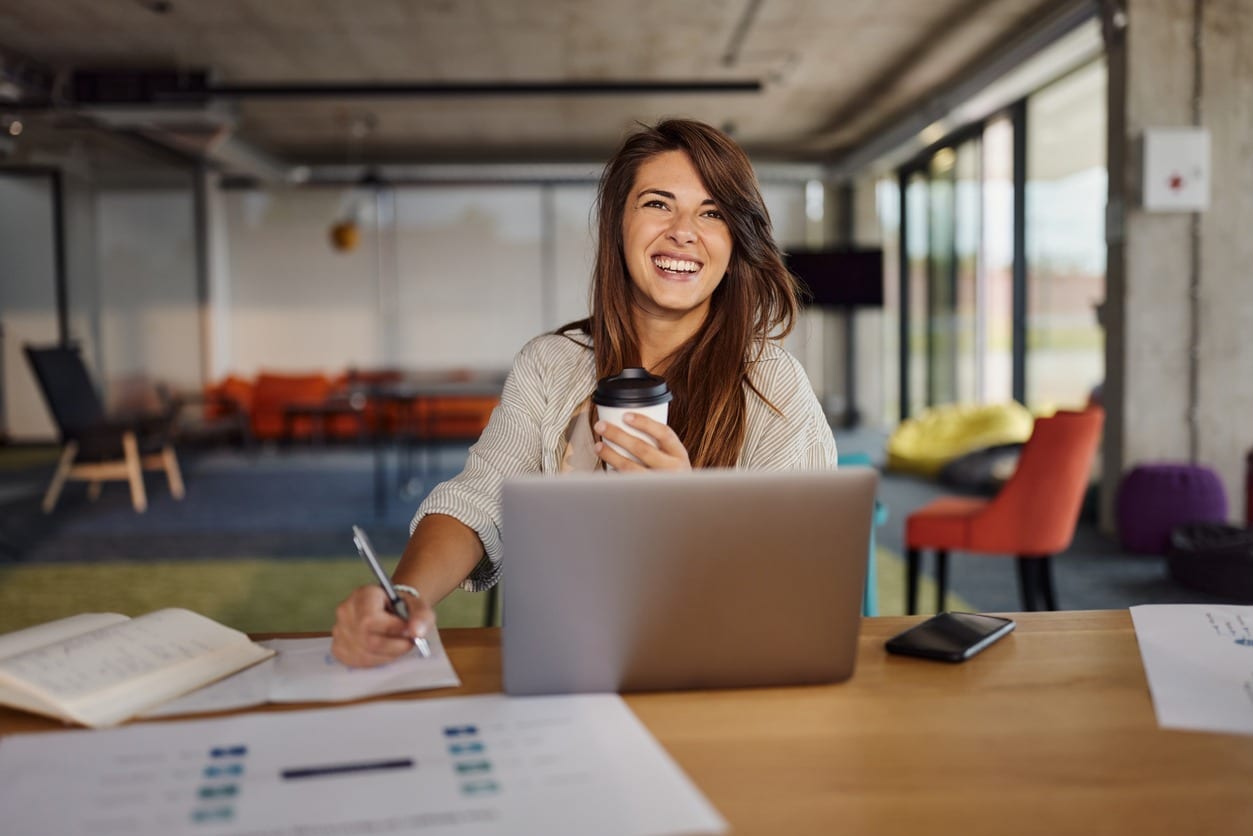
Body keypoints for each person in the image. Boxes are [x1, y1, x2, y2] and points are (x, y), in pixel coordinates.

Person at [332, 118, 838, 667]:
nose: (684, 231)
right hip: (568, 661)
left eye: (712, 212)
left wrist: (690, 514)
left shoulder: (770, 383)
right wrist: (402, 598)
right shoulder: (551, 363)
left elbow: (799, 573)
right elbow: (479, 500)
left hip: (717, 662)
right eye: (658, 204)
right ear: (618, 224)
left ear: (735, 237)